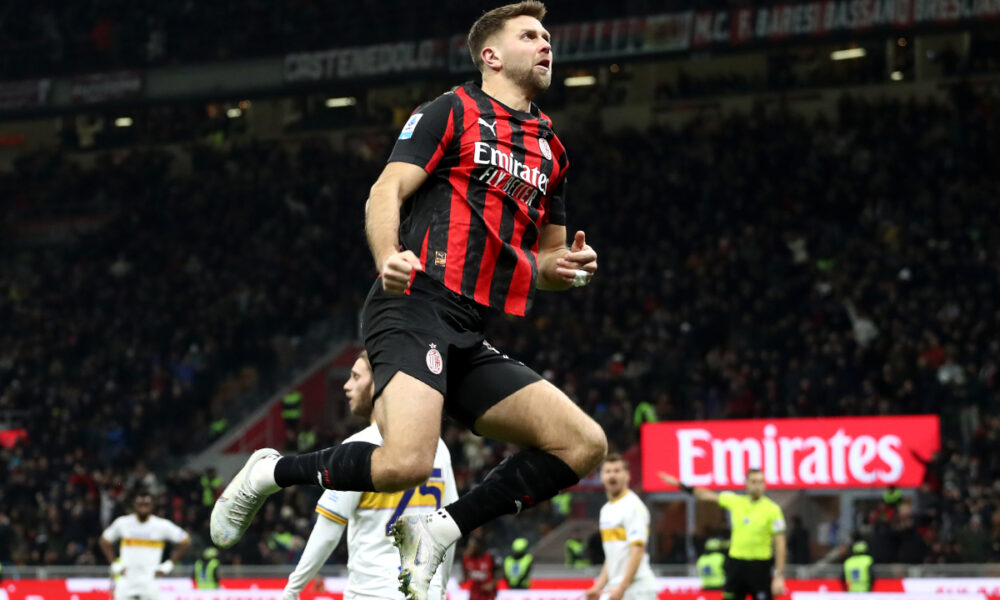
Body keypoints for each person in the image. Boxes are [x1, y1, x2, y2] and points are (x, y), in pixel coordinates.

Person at [211, 3, 607, 599]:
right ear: (491, 56)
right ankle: (270, 471)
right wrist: (388, 255)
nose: (546, 43)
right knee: (407, 463)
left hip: (468, 329)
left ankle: (438, 529)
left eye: (548, 36)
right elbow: (385, 190)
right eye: (530, 35)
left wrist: (568, 268)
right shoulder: (450, 111)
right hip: (414, 301)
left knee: (583, 444)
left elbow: (548, 260)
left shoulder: (552, 149)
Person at [282, 351, 456, 600]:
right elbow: (450, 526)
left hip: (372, 591)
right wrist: (440, 586)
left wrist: (292, 590)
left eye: (355, 377)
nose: (347, 385)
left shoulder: (358, 447)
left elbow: (328, 530)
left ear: (380, 382)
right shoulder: (437, 447)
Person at [659, 470, 786, 600]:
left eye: (760, 482)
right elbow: (705, 495)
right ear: (746, 483)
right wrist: (680, 485)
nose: (757, 486)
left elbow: (780, 544)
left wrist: (779, 576)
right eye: (753, 481)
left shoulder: (773, 510)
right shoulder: (735, 501)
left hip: (760, 566)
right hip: (736, 564)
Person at [585, 454, 657, 600]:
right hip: (616, 588)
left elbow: (637, 550)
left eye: (617, 471)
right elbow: (612, 557)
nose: (612, 475)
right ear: (602, 477)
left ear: (627, 475)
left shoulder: (633, 506)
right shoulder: (606, 510)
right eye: (608, 471)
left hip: (637, 589)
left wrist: (622, 587)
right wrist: (598, 587)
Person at [99, 491, 191, 600]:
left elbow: (186, 541)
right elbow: (104, 541)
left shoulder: (161, 525)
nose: (143, 508)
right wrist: (115, 565)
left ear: (152, 506)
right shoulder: (123, 523)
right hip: (127, 581)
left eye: (146, 504)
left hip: (150, 582)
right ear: (134, 505)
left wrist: (168, 565)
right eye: (140, 504)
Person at [462, 534, 498, 600]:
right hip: (474, 595)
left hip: (487, 595)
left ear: (477, 546)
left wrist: (492, 584)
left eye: (471, 545)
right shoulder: (466, 559)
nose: (469, 547)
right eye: (469, 545)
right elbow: (465, 576)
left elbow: (497, 573)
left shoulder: (488, 558)